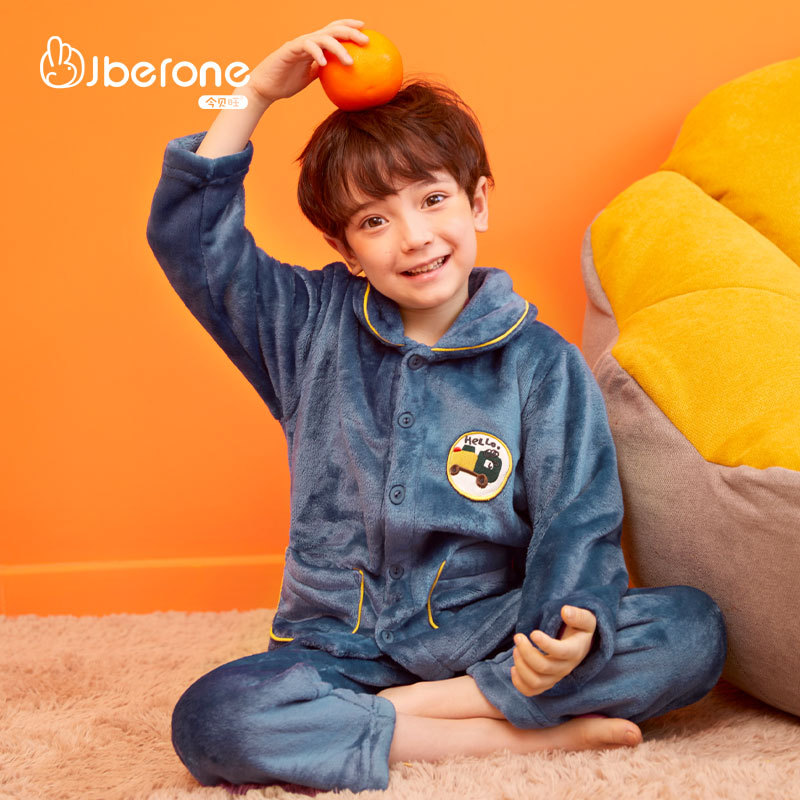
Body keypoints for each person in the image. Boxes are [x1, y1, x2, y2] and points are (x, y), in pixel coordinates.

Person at [145, 19, 727, 794]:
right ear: (347, 249)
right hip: (339, 646)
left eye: (432, 199)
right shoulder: (306, 327)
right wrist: (253, 94)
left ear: (477, 201)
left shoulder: (541, 362)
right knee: (212, 719)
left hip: (489, 630)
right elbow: (192, 244)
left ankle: (407, 714)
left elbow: (575, 521)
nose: (414, 237)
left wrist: (567, 628)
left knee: (691, 630)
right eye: (374, 220)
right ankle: (495, 737)